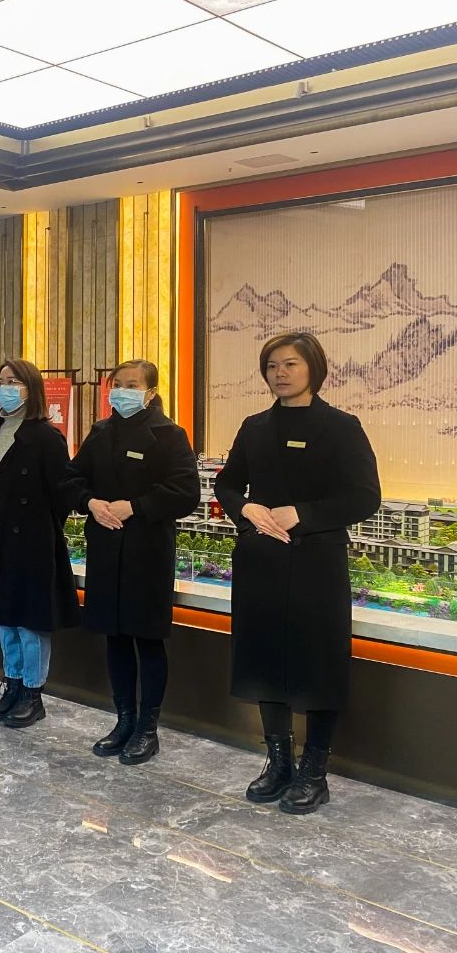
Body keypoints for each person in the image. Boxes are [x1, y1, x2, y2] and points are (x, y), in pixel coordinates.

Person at [215, 331, 380, 815]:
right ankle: (279, 761)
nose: (280, 373)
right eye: (272, 366)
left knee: (319, 664)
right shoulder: (254, 427)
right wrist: (245, 508)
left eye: (290, 364)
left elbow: (364, 497)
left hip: (317, 564)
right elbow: (227, 483)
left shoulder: (341, 427)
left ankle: (314, 771)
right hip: (260, 561)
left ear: (314, 368)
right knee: (265, 660)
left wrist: (301, 515)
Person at [61, 359, 199, 763]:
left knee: (147, 639)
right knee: (115, 638)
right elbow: (70, 479)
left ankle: (147, 728)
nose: (122, 391)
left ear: (151, 393)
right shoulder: (101, 432)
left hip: (147, 553)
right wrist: (90, 502)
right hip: (105, 550)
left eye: (132, 385)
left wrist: (135, 506)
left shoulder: (170, 435)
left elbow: (186, 492)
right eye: (117, 384)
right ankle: (123, 719)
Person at [0, 359, 80, 727]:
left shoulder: (46, 437)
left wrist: (37, 529)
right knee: (4, 617)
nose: (4, 388)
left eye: (13, 381)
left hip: (30, 542)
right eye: (0, 381)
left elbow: (61, 495)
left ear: (30, 389)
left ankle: (33, 692)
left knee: (30, 621)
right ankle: (12, 683)